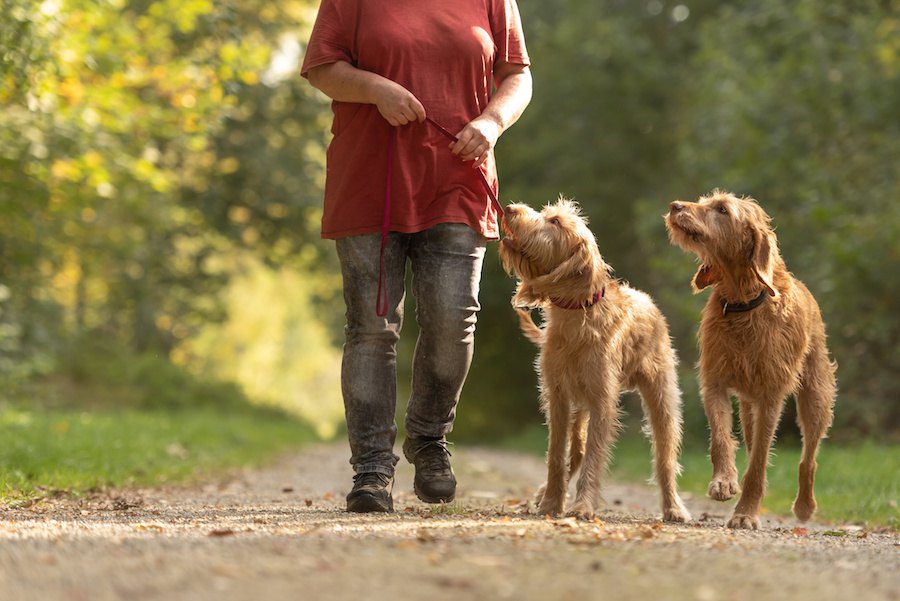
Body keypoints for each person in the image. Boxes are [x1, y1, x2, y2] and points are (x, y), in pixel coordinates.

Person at [301, 0, 532, 513]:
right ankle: (372, 470)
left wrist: (492, 122)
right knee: (372, 326)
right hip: (369, 181)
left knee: (454, 320)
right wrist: (376, 89)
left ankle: (429, 441)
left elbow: (518, 75)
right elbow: (321, 67)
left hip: (457, 180)